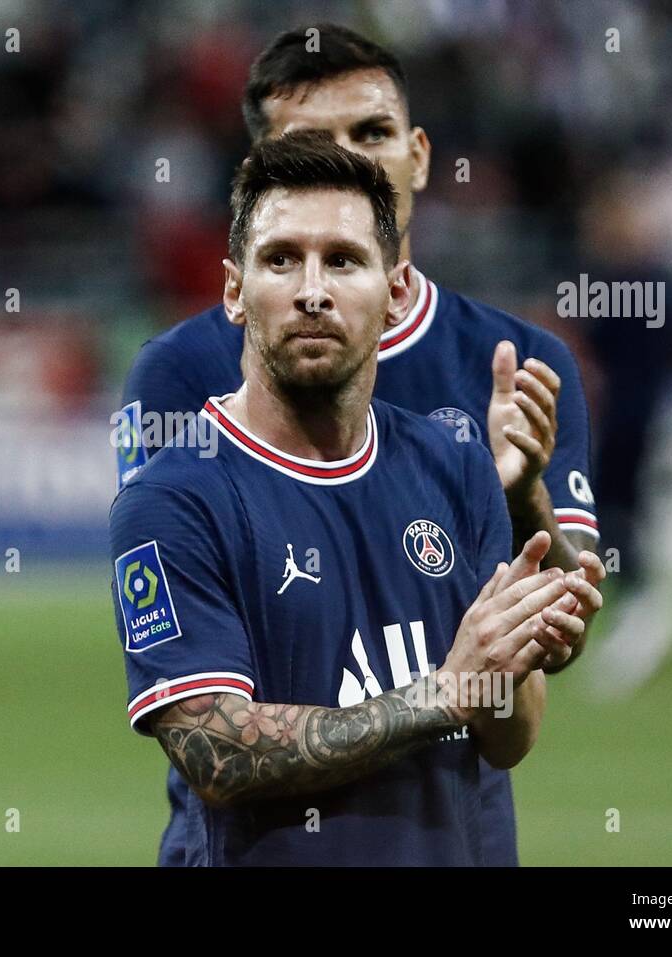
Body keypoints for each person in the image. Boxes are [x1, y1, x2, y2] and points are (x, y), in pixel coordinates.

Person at [117, 23, 606, 865]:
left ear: (393, 289)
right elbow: (211, 735)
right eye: (283, 261)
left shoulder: (470, 438)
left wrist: (520, 501)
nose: (311, 291)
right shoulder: (176, 441)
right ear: (237, 286)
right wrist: (446, 691)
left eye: (343, 260)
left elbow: (524, 697)